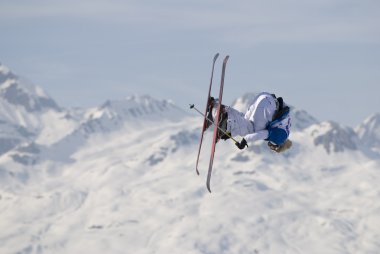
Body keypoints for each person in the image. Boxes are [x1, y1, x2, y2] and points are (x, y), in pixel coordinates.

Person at [207, 92, 292, 153]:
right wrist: (245, 140)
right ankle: (225, 124)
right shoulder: (280, 138)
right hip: (268, 106)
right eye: (273, 147)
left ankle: (217, 107)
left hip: (265, 97)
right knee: (251, 130)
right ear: (278, 146)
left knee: (245, 121)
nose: (270, 146)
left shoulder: (286, 129)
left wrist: (231, 133)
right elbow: (261, 134)